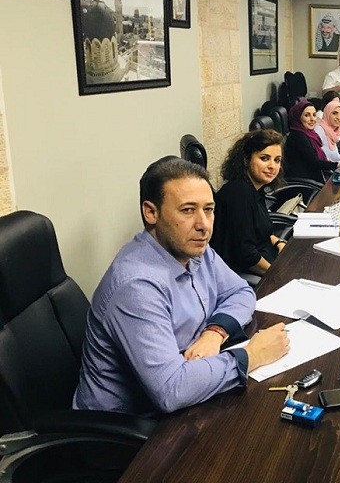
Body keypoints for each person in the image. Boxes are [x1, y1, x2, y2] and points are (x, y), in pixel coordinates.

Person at [74, 157, 289, 415]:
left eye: (208, 209)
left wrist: (215, 332)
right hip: (130, 428)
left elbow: (240, 291)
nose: (203, 225)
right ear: (151, 213)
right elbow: (170, 390)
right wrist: (253, 356)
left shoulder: (194, 248)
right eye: (187, 210)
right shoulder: (137, 286)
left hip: (187, 389)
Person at [211, 130, 287, 276]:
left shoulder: (255, 188)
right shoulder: (239, 193)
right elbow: (246, 256)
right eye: (264, 158)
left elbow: (260, 233)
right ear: (246, 160)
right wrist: (281, 274)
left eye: (277, 160)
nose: (272, 166)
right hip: (251, 275)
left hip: (269, 260)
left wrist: (279, 242)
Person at [284, 98, 340, 182]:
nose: (312, 119)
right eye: (307, 115)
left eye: (314, 115)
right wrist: (337, 165)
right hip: (305, 184)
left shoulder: (309, 134)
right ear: (298, 117)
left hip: (314, 178)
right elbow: (314, 162)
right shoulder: (298, 136)